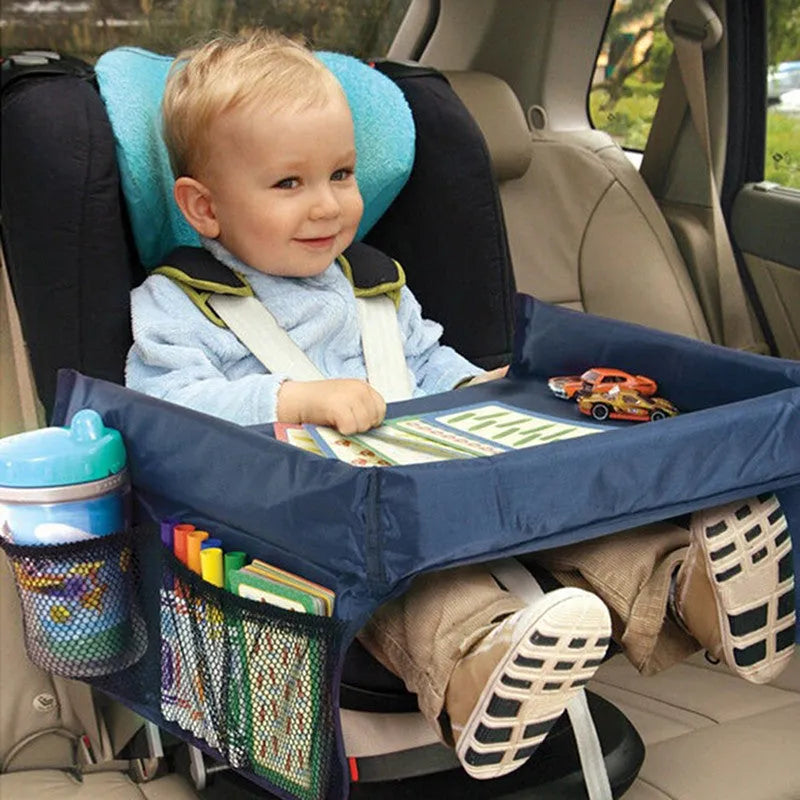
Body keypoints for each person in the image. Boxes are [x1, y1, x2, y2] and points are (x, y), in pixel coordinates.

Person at [126, 30, 795, 780]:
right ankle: (482, 667)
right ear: (204, 207)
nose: (327, 204)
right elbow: (164, 406)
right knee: (421, 588)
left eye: (341, 174)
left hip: (444, 485)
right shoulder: (180, 304)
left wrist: (477, 388)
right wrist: (295, 399)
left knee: (566, 509)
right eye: (288, 184)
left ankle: (684, 590)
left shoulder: (373, 282)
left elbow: (425, 360)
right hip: (316, 529)